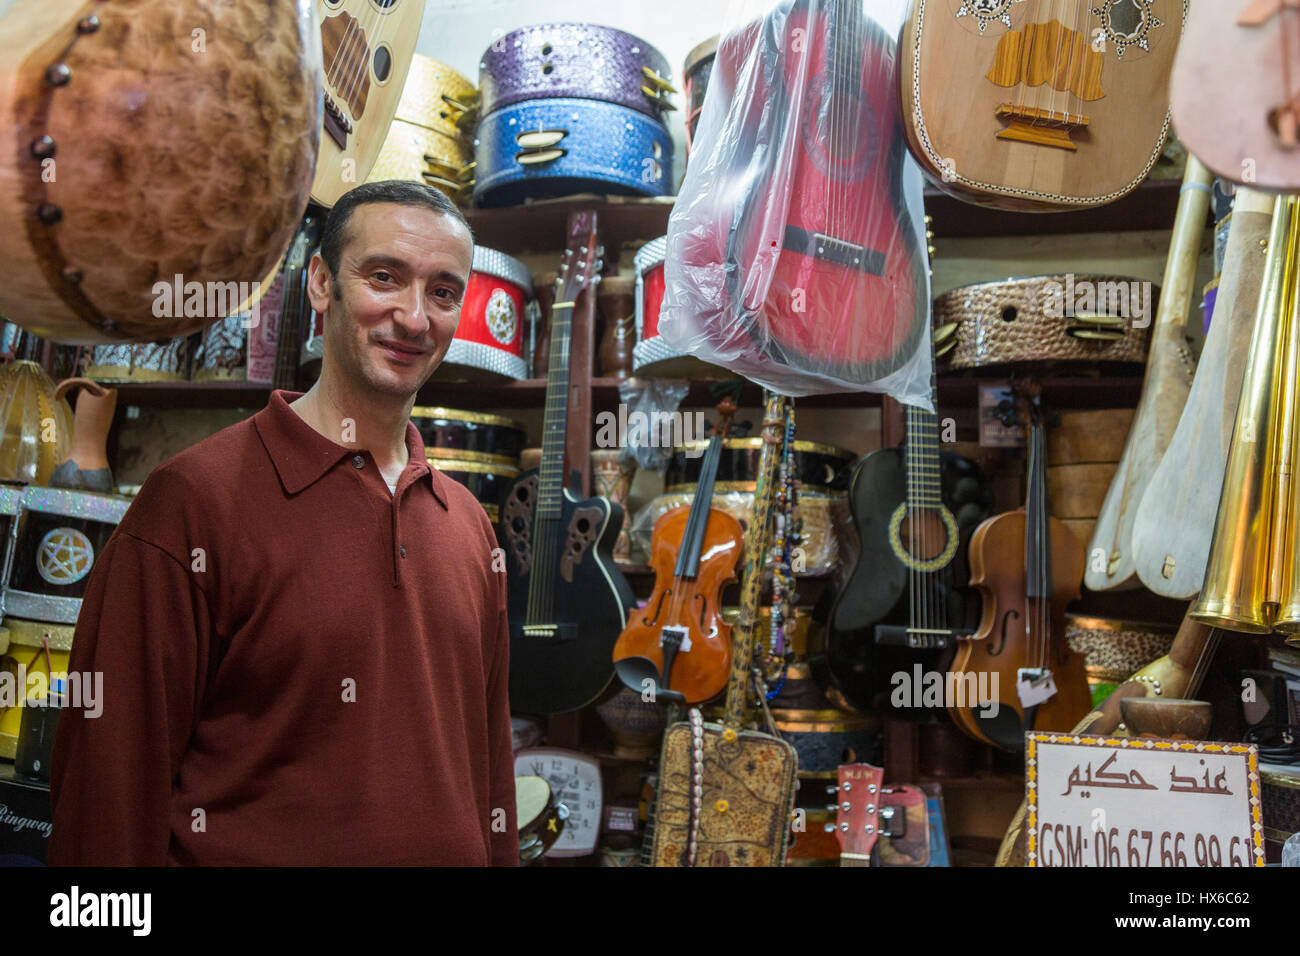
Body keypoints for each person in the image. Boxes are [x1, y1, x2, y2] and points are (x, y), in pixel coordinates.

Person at [49, 181, 518, 865]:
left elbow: (490, 768)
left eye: (443, 292)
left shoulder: (469, 525)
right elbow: (108, 791)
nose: (414, 318)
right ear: (322, 283)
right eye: (384, 277)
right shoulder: (191, 502)